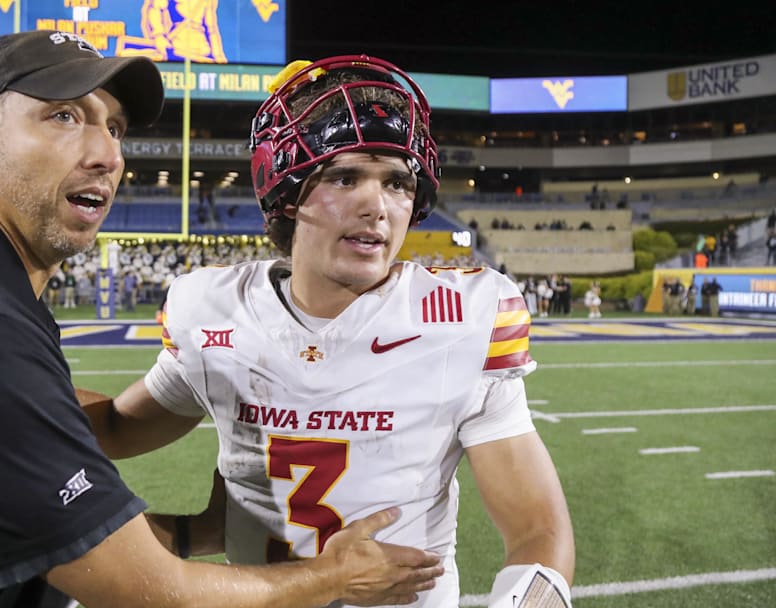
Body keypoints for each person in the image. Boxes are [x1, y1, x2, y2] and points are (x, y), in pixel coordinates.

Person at [0, 31, 439, 608]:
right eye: (64, 116)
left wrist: (210, 511)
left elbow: (74, 476)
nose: (108, 153)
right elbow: (149, 591)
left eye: (115, 126)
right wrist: (339, 576)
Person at [88, 55, 575, 608]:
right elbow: (114, 430)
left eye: (397, 182)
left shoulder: (460, 318)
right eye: (344, 177)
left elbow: (538, 531)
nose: (377, 207)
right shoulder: (213, 311)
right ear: (286, 192)